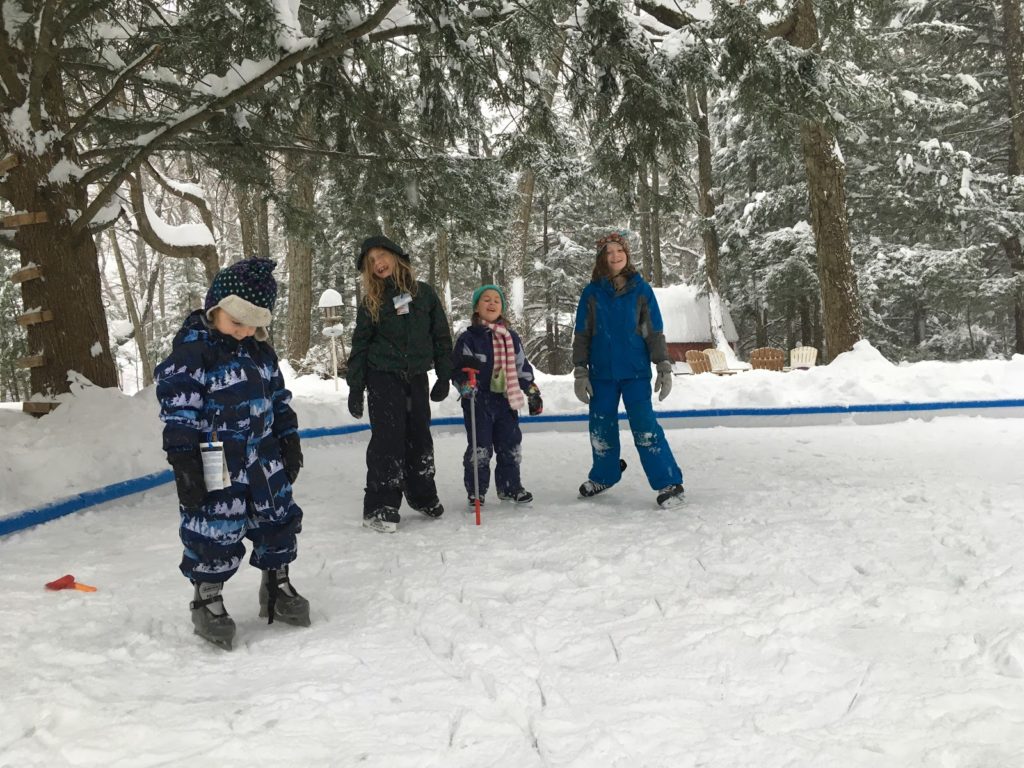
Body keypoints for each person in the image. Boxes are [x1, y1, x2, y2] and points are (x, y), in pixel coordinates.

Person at [155, 257, 309, 651]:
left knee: (277, 520)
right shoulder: (193, 352)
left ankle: (276, 584)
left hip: (263, 455)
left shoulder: (261, 353)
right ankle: (207, 597)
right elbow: (179, 410)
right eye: (235, 322)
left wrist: (288, 437)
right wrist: (183, 459)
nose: (243, 332)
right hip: (215, 460)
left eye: (252, 324)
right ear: (214, 308)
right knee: (214, 529)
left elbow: (278, 398)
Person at [346, 235, 453, 533]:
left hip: (416, 377)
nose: (378, 263)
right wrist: (356, 387)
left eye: (381, 255)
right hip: (383, 377)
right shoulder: (372, 302)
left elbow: (441, 338)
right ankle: (380, 504)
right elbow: (361, 345)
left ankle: (421, 494)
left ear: (395, 256)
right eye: (371, 261)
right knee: (388, 440)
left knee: (419, 436)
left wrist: (445, 375)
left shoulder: (425, 295)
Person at [572, 231, 685, 508]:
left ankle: (669, 482)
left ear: (626, 254)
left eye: (619, 251)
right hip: (602, 374)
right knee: (600, 427)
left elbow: (653, 331)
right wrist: (580, 371)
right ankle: (605, 475)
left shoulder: (641, 289)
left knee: (645, 427)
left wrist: (663, 365)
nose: (615, 256)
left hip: (635, 372)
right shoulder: (592, 293)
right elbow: (582, 334)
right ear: (602, 257)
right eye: (609, 252)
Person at [451, 285, 542, 507]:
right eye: (486, 300)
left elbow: (521, 366)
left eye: (496, 301)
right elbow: (457, 368)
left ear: (501, 307)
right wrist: (464, 384)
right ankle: (477, 491)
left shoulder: (510, 337)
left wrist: (531, 390)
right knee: (480, 447)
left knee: (510, 443)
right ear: (476, 307)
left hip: (505, 400)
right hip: (478, 401)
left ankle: (510, 487)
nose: (491, 304)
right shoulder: (469, 338)